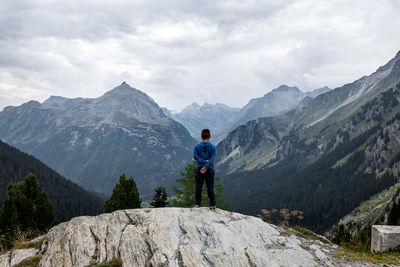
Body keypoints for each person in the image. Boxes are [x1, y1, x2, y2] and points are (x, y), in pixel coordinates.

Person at [193, 128, 216, 209]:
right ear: (210, 136)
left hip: (199, 168)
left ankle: (197, 204)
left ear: (201, 136)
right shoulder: (213, 147)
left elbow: (195, 157)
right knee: (210, 187)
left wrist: (202, 163)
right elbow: (212, 159)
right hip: (209, 169)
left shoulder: (197, 146)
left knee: (198, 187)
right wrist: (206, 166)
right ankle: (212, 205)